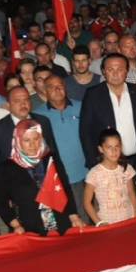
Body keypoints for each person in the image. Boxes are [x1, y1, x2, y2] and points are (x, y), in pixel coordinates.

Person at [0, 119, 84, 236]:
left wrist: (73, 215)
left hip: (60, 223)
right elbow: (1, 201)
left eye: (36, 139)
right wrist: (15, 225)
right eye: (26, 140)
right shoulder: (7, 168)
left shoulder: (51, 158)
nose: (32, 145)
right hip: (29, 228)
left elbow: (65, 188)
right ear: (18, 140)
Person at [79, 53, 136, 175]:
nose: (115, 74)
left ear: (126, 71)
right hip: (106, 163)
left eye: (120, 69)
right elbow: (85, 131)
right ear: (103, 71)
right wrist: (93, 162)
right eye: (110, 69)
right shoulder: (93, 95)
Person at [32, 75, 90, 225]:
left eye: (60, 85)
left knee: (88, 216)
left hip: (85, 173)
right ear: (44, 91)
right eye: (52, 86)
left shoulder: (81, 106)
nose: (57, 89)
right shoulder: (38, 116)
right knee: (68, 220)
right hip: (58, 177)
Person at [83, 129, 136, 227]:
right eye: (109, 147)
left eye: (117, 146)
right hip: (108, 223)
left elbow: (131, 193)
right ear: (101, 149)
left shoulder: (127, 169)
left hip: (128, 219)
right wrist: (99, 222)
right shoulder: (94, 173)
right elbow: (87, 202)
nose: (114, 151)